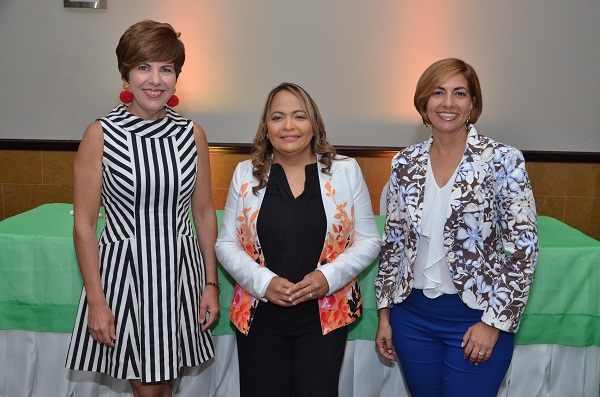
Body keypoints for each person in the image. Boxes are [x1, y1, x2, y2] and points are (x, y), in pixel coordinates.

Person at [65, 20, 220, 397]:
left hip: (180, 276)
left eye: (166, 68)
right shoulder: (100, 134)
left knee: (162, 387)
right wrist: (97, 302)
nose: (155, 80)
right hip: (126, 279)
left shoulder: (192, 134)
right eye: (143, 67)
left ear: (177, 77)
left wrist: (210, 284)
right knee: (150, 389)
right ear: (126, 74)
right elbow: (84, 224)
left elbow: (203, 213)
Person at [375, 58, 538, 397]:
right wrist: (385, 314)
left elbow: (523, 248)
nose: (448, 103)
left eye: (459, 93)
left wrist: (493, 323)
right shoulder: (405, 162)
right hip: (411, 318)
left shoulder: (503, 160)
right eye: (438, 92)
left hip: (476, 317)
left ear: (473, 104)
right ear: (423, 102)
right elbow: (393, 243)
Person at [215, 82, 381, 397]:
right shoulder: (244, 173)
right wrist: (262, 282)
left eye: (299, 116)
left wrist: (327, 277)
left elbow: (369, 241)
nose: (288, 126)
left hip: (325, 315)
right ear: (266, 127)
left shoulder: (345, 171)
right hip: (259, 315)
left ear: (314, 124)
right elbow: (225, 245)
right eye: (278, 117)